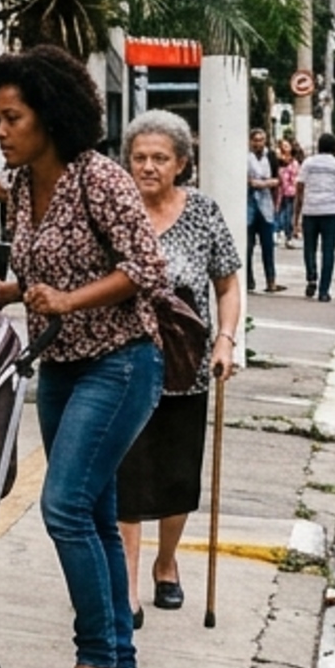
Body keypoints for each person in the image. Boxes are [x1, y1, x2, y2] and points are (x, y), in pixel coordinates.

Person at [0, 46, 168, 668]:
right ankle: (119, 659)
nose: (0, 130)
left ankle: (96, 655)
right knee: (95, 511)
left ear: (49, 117)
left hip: (121, 359)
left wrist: (67, 301)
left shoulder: (100, 178)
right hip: (60, 363)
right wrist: (10, 289)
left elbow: (146, 269)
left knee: (64, 506)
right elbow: (45, 270)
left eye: (12, 118)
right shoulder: (22, 186)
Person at [113, 111, 243, 619]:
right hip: (123, 363)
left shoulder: (203, 213)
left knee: (176, 476)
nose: (148, 167)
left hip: (185, 368)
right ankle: (126, 587)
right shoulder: (117, 210)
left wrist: (225, 341)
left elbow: (227, 285)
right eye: (139, 157)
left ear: (181, 163)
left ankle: (165, 563)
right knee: (126, 475)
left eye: (159, 158)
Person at [295, 133, 335, 302]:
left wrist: (296, 216)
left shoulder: (308, 163)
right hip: (330, 212)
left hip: (310, 211)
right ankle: (324, 291)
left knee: (309, 248)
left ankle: (312, 277)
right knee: (328, 252)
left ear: (318, 147)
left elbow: (300, 188)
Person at [243, 128, 284, 294]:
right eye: (255, 140)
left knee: (268, 245)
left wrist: (262, 184)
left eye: (261, 140)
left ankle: (271, 280)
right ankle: (248, 280)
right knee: (248, 246)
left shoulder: (271, 156)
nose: (258, 144)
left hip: (266, 205)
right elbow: (247, 181)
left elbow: (277, 180)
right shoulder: (245, 157)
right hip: (249, 205)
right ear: (250, 141)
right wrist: (264, 183)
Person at [274, 137, 302, 245]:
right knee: (278, 212)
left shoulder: (294, 162)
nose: (284, 148)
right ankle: (277, 232)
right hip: (279, 191)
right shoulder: (277, 161)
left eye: (287, 146)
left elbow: (295, 178)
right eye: (283, 146)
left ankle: (288, 236)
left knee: (288, 214)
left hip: (290, 192)